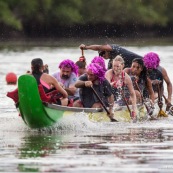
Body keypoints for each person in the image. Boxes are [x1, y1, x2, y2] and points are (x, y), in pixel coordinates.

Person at [105, 55, 137, 120]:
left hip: (121, 99)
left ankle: (114, 112)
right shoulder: (109, 73)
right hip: (108, 97)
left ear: (122, 66)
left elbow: (132, 94)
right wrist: (112, 84)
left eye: (117, 66)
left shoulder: (126, 77)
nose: (115, 68)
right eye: (114, 66)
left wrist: (134, 109)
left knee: (117, 104)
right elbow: (106, 86)